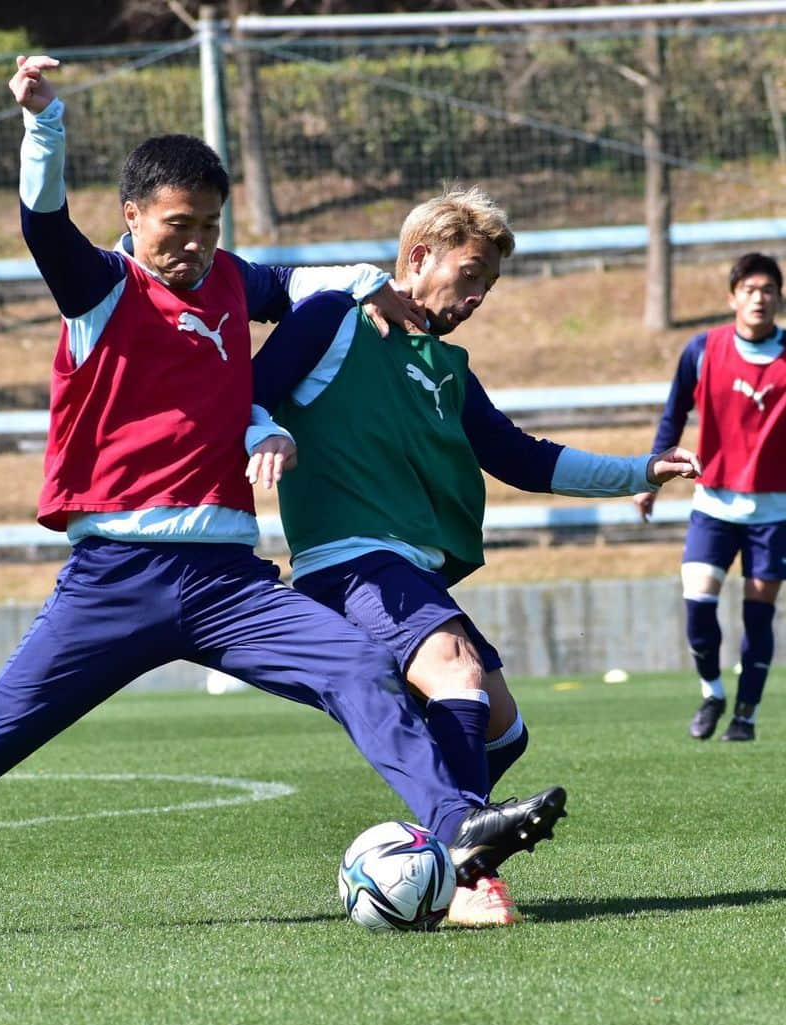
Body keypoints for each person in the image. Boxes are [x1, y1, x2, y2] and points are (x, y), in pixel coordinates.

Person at [0, 58, 568, 944]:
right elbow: (42, 221)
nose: (197, 246)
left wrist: (376, 285)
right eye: (178, 227)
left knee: (363, 669)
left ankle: (456, 835)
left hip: (228, 585)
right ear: (133, 218)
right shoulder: (99, 287)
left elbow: (295, 286)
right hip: (114, 581)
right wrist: (42, 123)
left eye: (211, 227)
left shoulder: (223, 279)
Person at [249, 186, 700, 926]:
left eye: (489, 284)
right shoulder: (337, 319)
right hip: (350, 562)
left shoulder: (448, 367)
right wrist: (258, 434)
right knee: (459, 675)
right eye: (471, 274)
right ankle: (457, 875)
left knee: (504, 729)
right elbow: (251, 390)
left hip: (409, 569)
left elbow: (521, 458)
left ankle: (421, 851)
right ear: (419, 257)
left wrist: (638, 472)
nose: (479, 295)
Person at [635, 252, 784, 744]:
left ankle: (745, 715)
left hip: (775, 511)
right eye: (749, 289)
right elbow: (672, 415)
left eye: (767, 289)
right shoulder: (702, 350)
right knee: (698, 604)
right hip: (714, 504)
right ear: (732, 298)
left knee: (757, 614)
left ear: (779, 297)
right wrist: (650, 477)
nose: (759, 297)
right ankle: (713, 692)